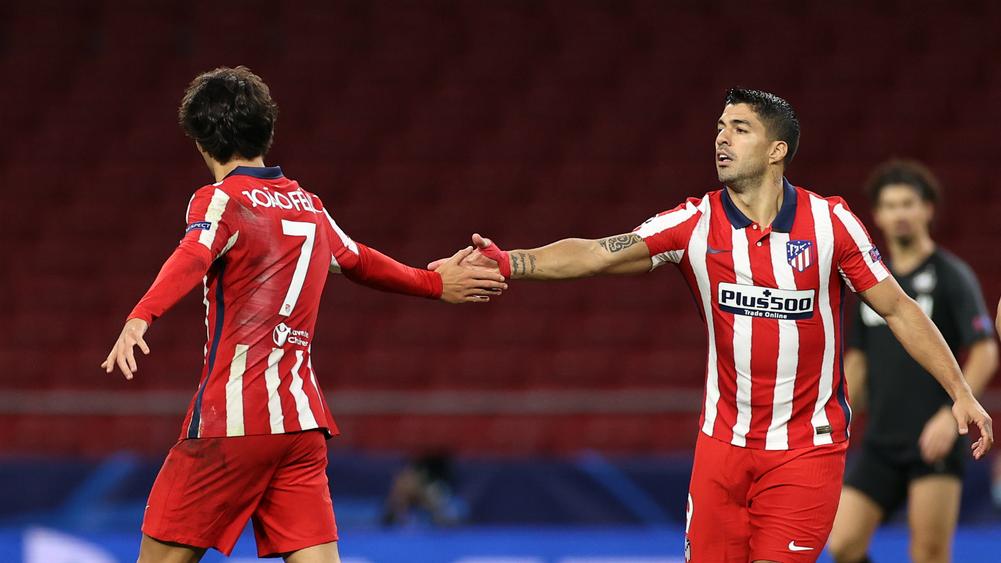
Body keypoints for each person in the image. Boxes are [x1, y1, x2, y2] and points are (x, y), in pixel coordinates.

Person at [431, 89, 994, 563]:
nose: (721, 138)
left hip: (807, 450)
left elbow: (897, 309)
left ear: (777, 151)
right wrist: (511, 261)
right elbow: (599, 253)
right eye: (720, 127)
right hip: (721, 448)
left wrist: (960, 393)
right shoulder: (694, 222)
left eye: (740, 129)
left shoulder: (830, 223)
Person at [100, 66, 507, 563]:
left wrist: (141, 315)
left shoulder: (221, 199)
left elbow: (194, 252)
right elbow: (358, 260)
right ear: (266, 132)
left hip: (233, 423)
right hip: (300, 426)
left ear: (201, 143)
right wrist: (434, 282)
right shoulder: (308, 205)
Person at [827, 161, 998, 563]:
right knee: (844, 545)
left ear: (928, 209)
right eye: (890, 205)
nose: (900, 213)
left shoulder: (952, 276)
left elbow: (986, 349)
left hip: (936, 439)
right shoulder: (871, 281)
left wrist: (947, 413)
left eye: (908, 203)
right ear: (878, 216)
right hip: (882, 442)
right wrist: (842, 409)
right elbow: (858, 358)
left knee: (929, 553)